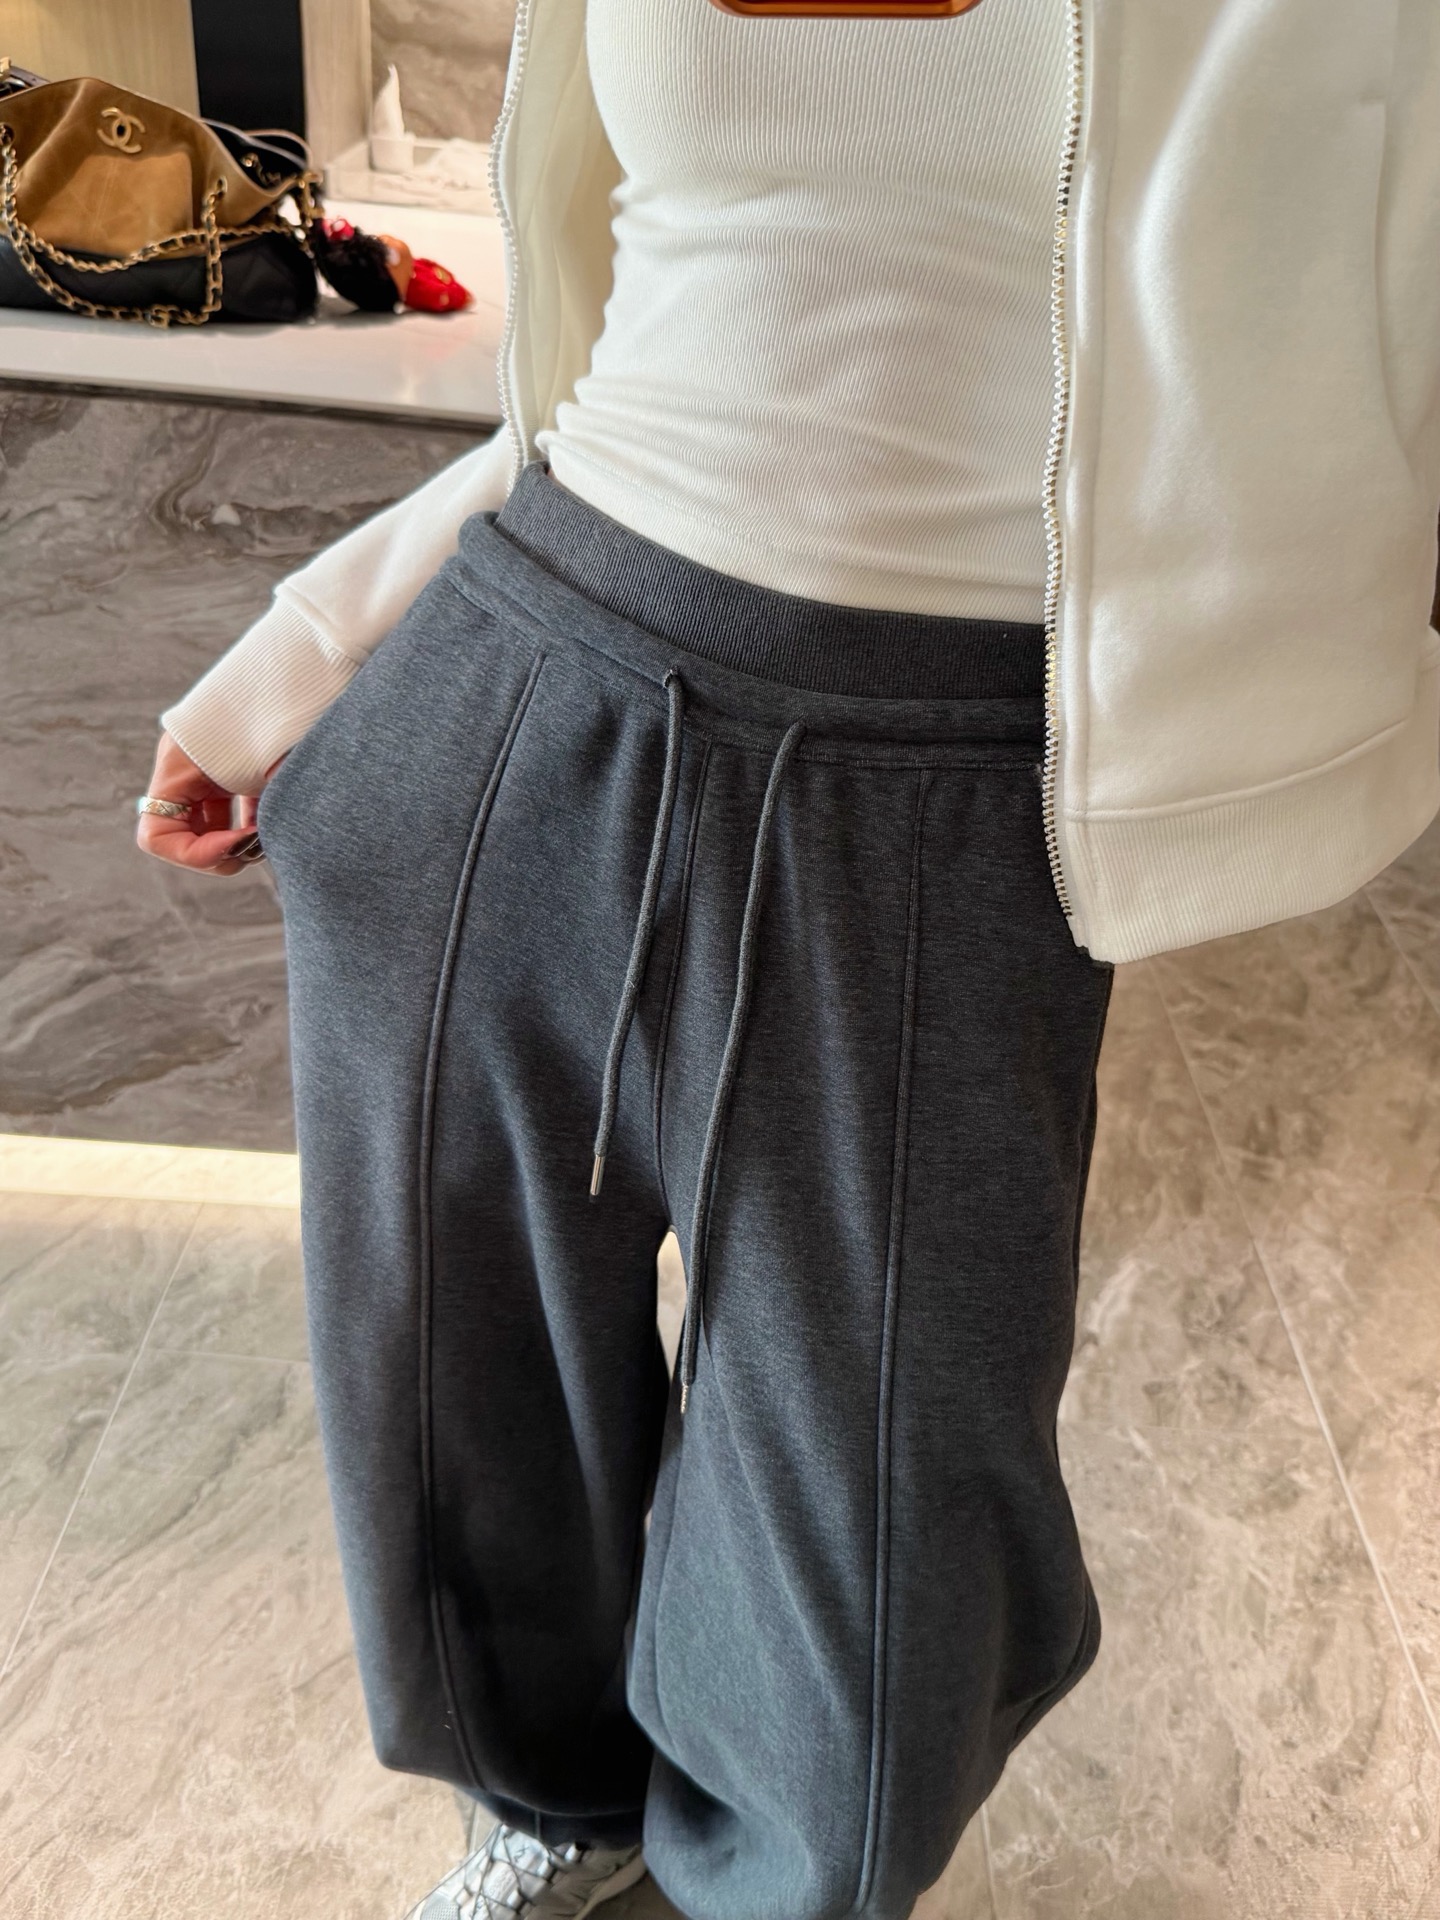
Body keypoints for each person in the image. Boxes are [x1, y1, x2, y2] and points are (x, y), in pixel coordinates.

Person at [136, 0, 1440, 1913]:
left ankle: (762, 1886)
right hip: (526, 680)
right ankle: (554, 1817)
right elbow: (641, 330)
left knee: (884, 1546)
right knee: (453, 1406)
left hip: (951, 784)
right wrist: (315, 651)